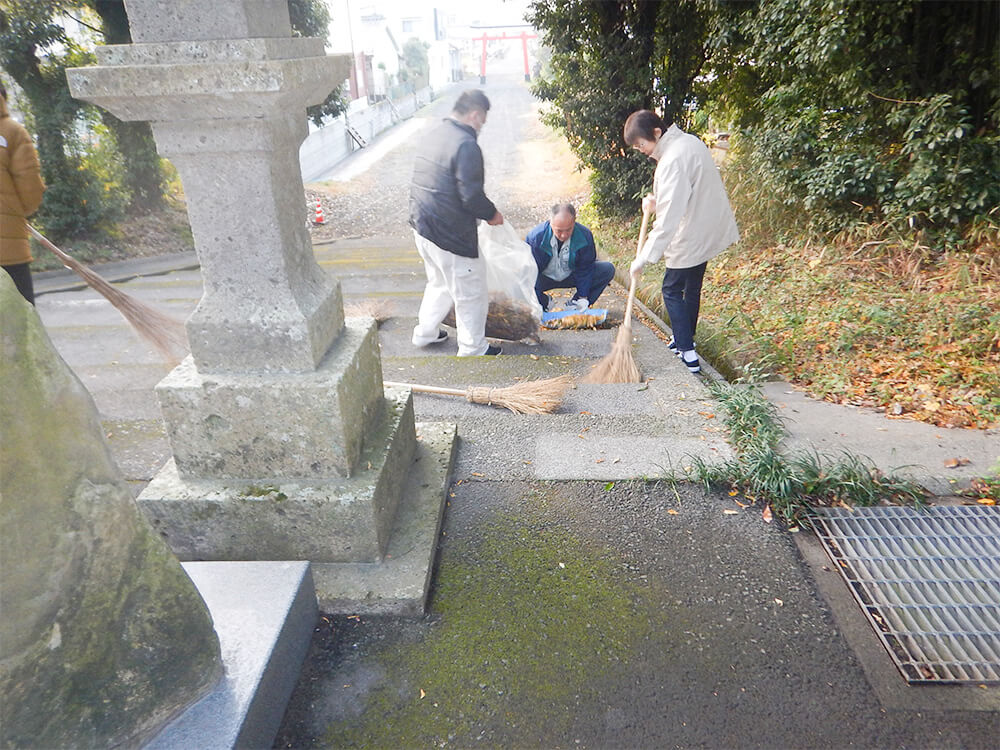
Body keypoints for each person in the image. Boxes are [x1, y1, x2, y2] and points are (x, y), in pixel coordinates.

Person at [623, 109, 738, 374]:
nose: (641, 150)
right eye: (637, 146)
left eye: (642, 144)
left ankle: (687, 352)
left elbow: (669, 219)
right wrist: (655, 201)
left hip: (690, 233)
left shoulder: (672, 159)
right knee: (691, 288)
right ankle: (683, 338)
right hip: (706, 228)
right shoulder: (690, 142)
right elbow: (682, 192)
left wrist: (643, 257)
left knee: (672, 289)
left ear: (656, 132)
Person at [409, 89, 504, 356]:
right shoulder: (465, 144)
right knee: (469, 291)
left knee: (438, 281)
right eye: (482, 121)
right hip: (450, 234)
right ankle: (473, 348)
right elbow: (471, 196)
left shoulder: (434, 133)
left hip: (423, 226)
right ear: (475, 115)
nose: (481, 127)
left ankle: (425, 333)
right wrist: (492, 214)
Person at [1, 79, 46, 305]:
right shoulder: (12, 132)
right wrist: (16, 213)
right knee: (20, 328)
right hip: (8, 253)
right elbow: (30, 193)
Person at [525, 203, 615, 313]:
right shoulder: (536, 237)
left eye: (568, 230)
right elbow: (530, 273)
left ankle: (575, 305)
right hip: (544, 278)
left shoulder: (585, 235)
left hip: (571, 276)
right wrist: (539, 299)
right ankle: (545, 302)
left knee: (607, 269)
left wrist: (583, 297)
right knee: (518, 278)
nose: (563, 235)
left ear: (574, 222)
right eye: (559, 230)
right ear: (550, 223)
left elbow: (586, 268)